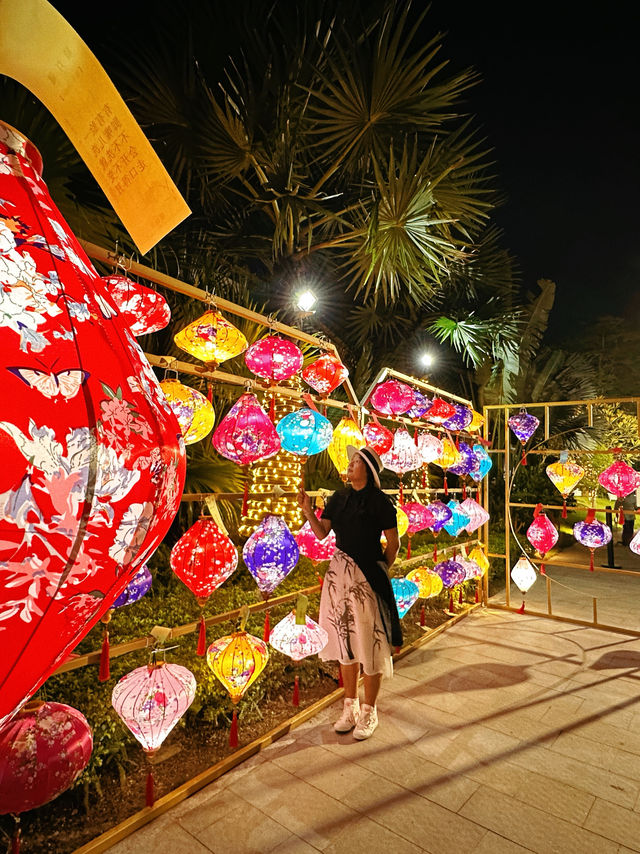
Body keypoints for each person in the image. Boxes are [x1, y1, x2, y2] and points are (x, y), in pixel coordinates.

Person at [297, 445, 401, 740]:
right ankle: (350, 706)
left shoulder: (380, 502)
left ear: (367, 469)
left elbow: (392, 544)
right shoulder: (338, 498)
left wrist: (379, 569)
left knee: (369, 642)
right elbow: (321, 533)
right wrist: (307, 509)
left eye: (356, 461)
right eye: (351, 461)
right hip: (339, 575)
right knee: (345, 641)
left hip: (367, 575)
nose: (350, 464)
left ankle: (370, 711)